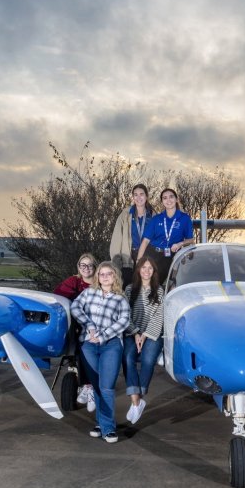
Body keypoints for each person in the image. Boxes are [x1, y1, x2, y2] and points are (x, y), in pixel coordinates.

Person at [70, 261, 131, 443]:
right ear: (97, 276)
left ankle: (108, 428)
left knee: (106, 386)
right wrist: (89, 326)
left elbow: (124, 321)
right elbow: (75, 307)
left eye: (109, 274)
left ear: (115, 277)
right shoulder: (88, 293)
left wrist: (103, 335)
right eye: (102, 274)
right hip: (88, 345)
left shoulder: (120, 299)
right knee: (97, 385)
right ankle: (103, 424)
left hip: (111, 344)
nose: (105, 277)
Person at [54, 253, 99, 411]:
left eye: (90, 265)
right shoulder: (73, 281)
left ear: (95, 267)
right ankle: (87, 385)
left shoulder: (100, 282)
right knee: (79, 346)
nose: (86, 268)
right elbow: (56, 298)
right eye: (83, 265)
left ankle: (91, 385)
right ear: (78, 267)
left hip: (97, 325)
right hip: (77, 324)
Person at [122, 256, 164, 426]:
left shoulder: (159, 291)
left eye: (150, 268)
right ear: (138, 270)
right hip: (132, 332)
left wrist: (145, 335)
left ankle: (137, 399)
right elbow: (124, 314)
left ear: (154, 272)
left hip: (152, 334)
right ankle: (136, 402)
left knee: (147, 360)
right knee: (127, 358)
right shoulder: (130, 289)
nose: (146, 271)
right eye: (143, 267)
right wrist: (136, 332)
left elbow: (158, 317)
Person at [137, 187, 195, 271]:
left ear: (176, 199)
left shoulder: (184, 218)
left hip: (172, 256)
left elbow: (191, 240)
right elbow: (145, 241)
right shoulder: (156, 219)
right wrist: (139, 261)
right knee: (148, 280)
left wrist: (180, 244)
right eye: (165, 198)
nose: (168, 200)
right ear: (162, 202)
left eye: (171, 197)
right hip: (153, 254)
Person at [110, 183, 154, 284]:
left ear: (146, 196)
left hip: (147, 257)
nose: (139, 197)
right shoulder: (125, 214)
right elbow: (117, 239)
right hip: (128, 257)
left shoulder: (153, 215)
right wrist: (116, 261)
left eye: (141, 194)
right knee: (127, 287)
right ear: (133, 197)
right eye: (135, 194)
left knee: (145, 288)